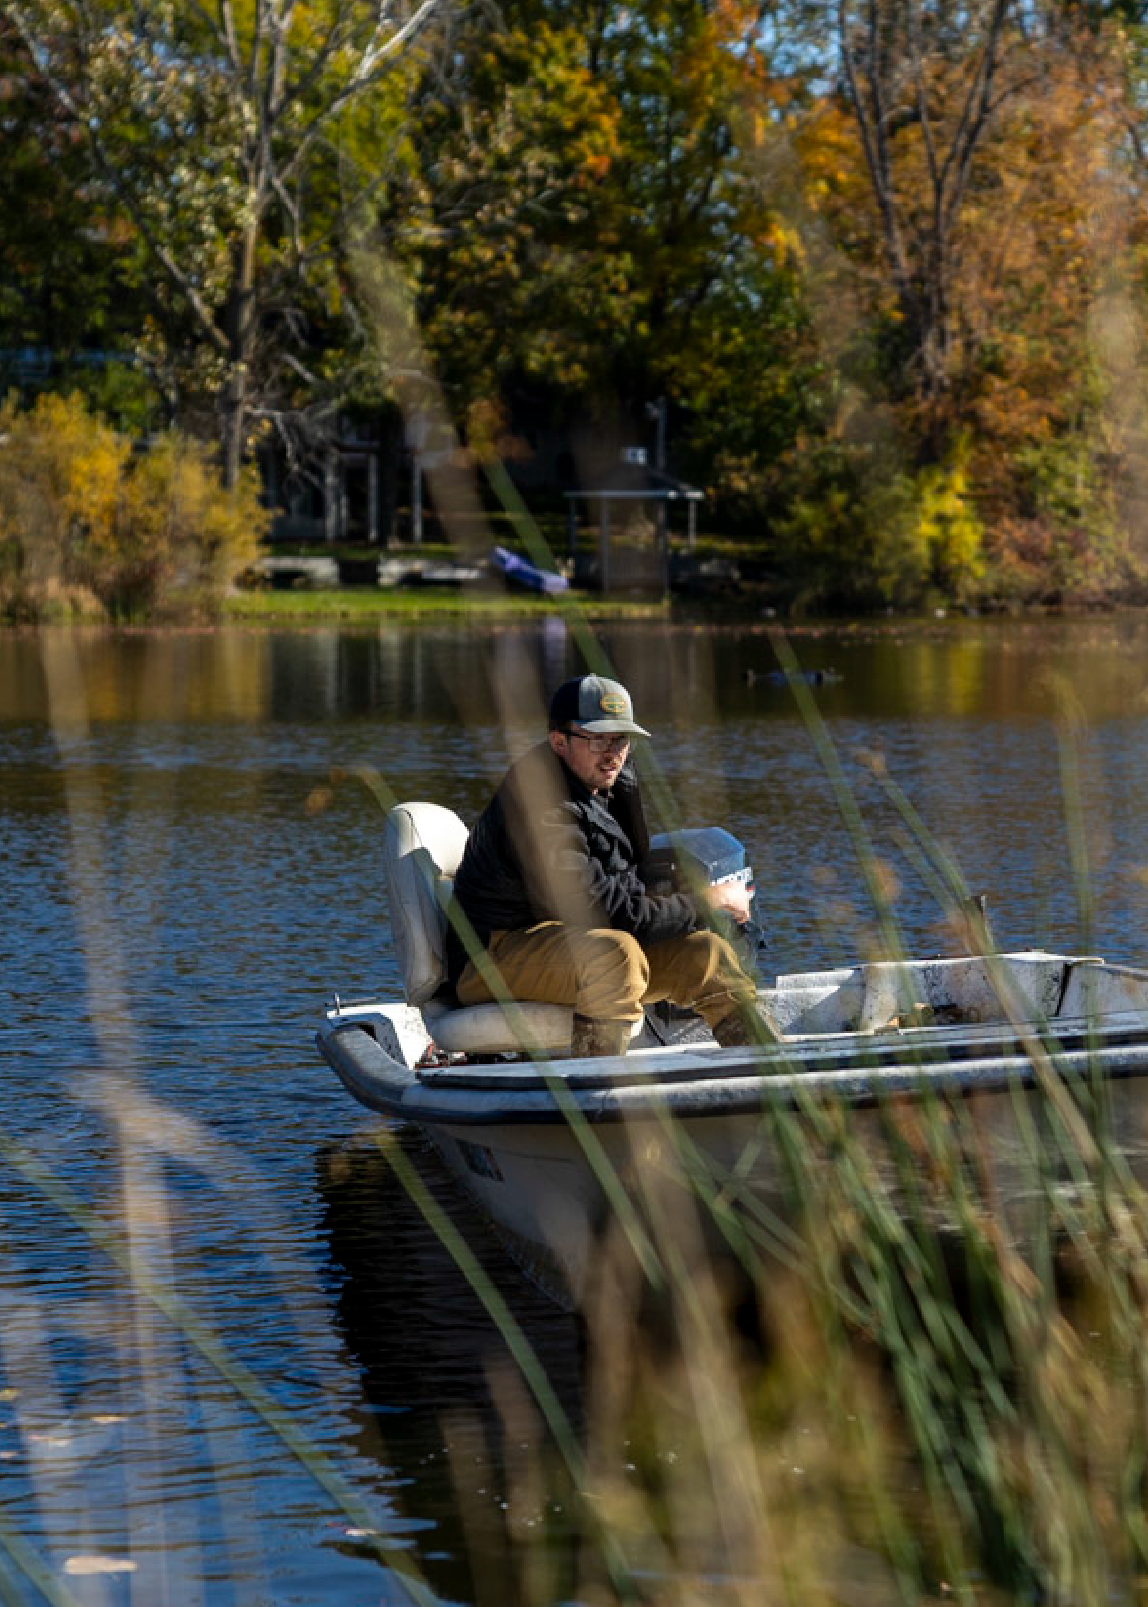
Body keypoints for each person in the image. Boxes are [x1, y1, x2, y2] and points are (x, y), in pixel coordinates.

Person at [444, 673, 778, 1058]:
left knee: (705, 953)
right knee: (616, 955)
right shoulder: (541, 809)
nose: (613, 752)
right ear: (559, 741)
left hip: (568, 942)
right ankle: (598, 1095)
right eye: (598, 738)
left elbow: (627, 886)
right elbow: (612, 914)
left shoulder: (605, 786)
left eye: (621, 739)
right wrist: (706, 901)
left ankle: (773, 1075)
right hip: (492, 956)